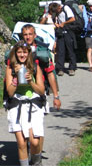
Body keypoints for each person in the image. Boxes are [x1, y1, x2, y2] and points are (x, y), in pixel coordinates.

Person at [20, 24, 61, 161]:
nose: (28, 37)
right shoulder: (18, 51)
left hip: (39, 93)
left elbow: (50, 74)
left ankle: (36, 159)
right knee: (23, 129)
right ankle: (26, 154)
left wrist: (56, 96)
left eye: (30, 34)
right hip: (20, 94)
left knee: (37, 129)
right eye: (25, 34)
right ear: (22, 36)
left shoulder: (42, 52)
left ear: (35, 35)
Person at [6, 40, 45, 166]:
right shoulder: (10, 68)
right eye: (19, 52)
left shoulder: (35, 67)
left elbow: (41, 90)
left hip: (33, 104)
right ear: (15, 53)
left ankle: (36, 162)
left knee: (34, 142)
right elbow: (10, 93)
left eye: (24, 52)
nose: (22, 55)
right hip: (17, 104)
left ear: (29, 53)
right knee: (22, 143)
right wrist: (17, 77)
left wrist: (30, 82)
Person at [50, 2, 77, 76]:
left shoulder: (66, 8)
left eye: (56, 11)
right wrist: (56, 24)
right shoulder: (55, 12)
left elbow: (73, 19)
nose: (56, 12)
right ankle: (60, 68)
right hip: (60, 32)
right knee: (60, 50)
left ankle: (72, 68)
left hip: (69, 30)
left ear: (59, 8)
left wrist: (64, 23)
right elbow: (54, 20)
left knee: (70, 50)